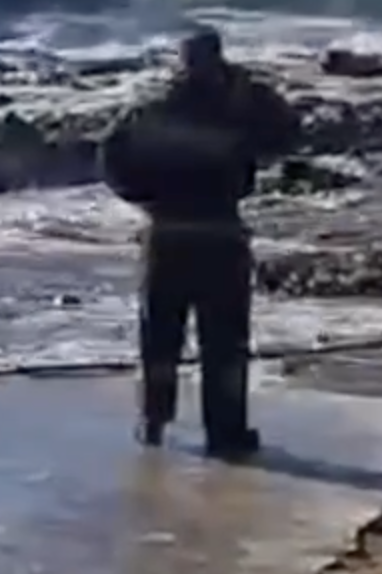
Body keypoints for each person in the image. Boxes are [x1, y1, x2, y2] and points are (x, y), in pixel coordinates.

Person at [100, 28, 302, 458]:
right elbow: (288, 134)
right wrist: (249, 88)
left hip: (167, 232)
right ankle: (225, 434)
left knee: (160, 337)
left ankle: (153, 422)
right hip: (220, 233)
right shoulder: (238, 107)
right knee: (224, 344)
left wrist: (145, 198)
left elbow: (111, 155)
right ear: (219, 58)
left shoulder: (152, 109)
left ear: (181, 60)